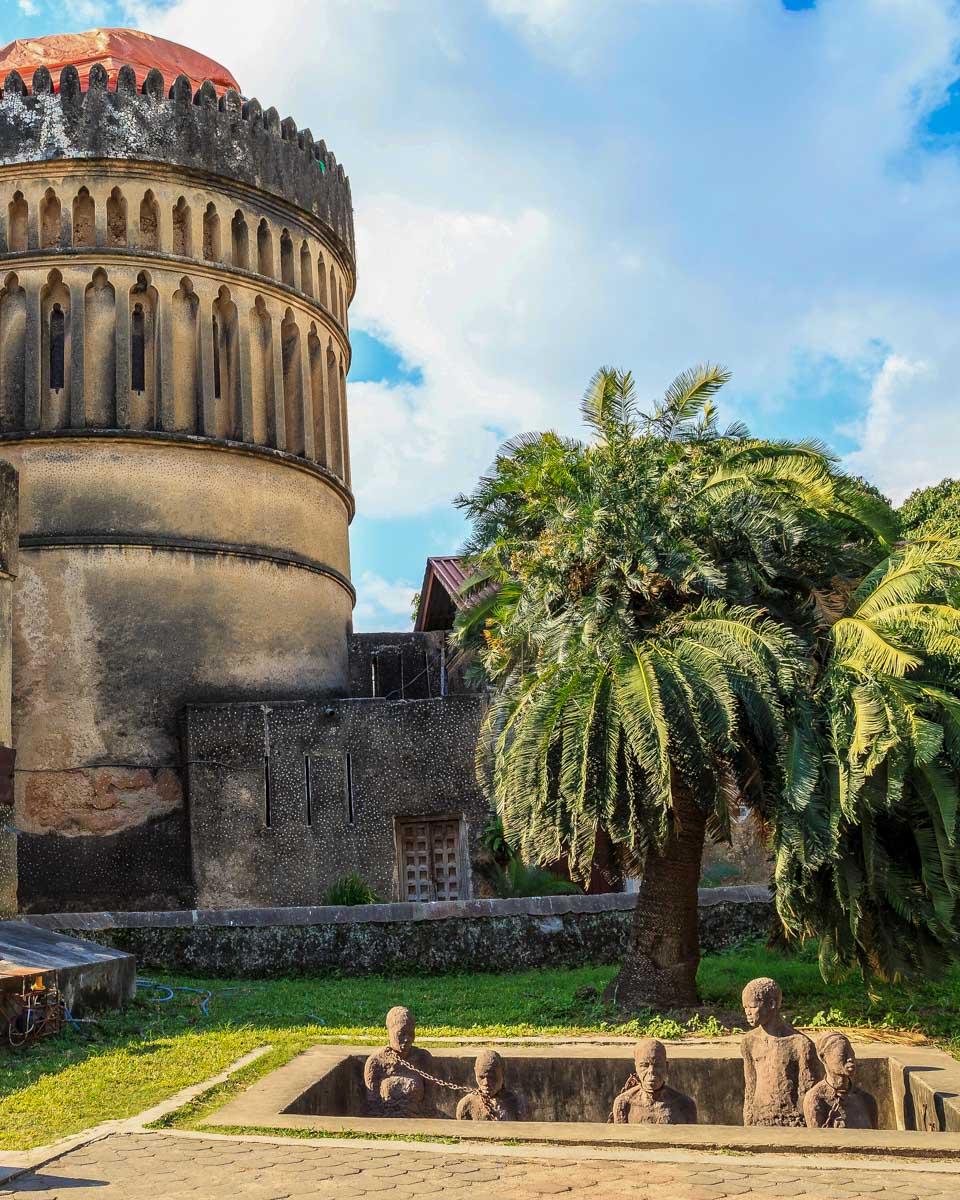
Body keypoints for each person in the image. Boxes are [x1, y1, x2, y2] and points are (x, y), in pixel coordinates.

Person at [741, 977, 821, 1127]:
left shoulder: (799, 1044)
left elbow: (808, 1090)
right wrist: (749, 1119)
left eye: (752, 1007)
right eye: (745, 1008)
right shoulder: (749, 1042)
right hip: (759, 1119)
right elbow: (750, 1088)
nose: (748, 1012)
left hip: (793, 1120)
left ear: (771, 1004)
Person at [363, 1005, 439, 1117]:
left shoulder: (423, 1059)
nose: (407, 1039)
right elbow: (373, 1107)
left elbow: (430, 1104)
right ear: (390, 1032)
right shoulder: (375, 1062)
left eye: (410, 1033)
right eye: (401, 1033)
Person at [611, 1038, 697, 1125]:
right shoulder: (624, 1103)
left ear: (666, 1067)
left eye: (657, 1065)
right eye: (644, 1065)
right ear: (636, 1067)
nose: (651, 1071)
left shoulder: (685, 1105)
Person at [803, 1032, 878, 1130]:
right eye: (842, 1054)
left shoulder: (867, 1100)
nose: (850, 1059)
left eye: (852, 1054)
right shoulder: (815, 1099)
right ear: (823, 1058)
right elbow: (818, 1141)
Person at [456, 1050, 525, 1121]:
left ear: (503, 1073)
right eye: (481, 1077)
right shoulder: (467, 1104)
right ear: (475, 1072)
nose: (486, 1082)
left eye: (492, 1077)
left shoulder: (516, 1104)